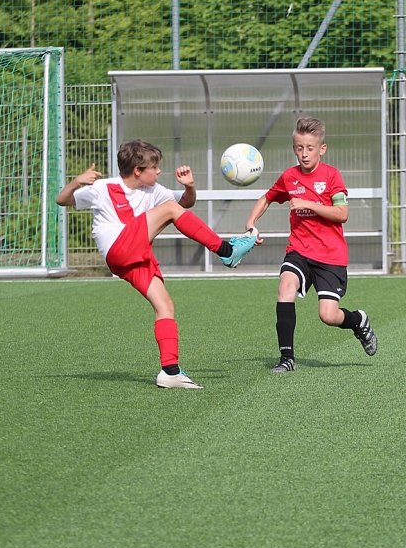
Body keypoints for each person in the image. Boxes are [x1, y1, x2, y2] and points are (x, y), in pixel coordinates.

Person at [56, 139, 257, 389]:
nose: (159, 171)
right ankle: (227, 251)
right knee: (169, 209)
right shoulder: (103, 188)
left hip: (133, 257)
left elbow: (185, 204)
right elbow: (62, 200)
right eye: (154, 167)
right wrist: (77, 181)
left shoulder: (154, 190)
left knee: (165, 306)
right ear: (137, 170)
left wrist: (190, 187)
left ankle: (170, 372)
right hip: (119, 248)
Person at [245, 116, 377, 373]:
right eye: (299, 148)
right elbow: (267, 198)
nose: (304, 154)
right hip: (299, 250)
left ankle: (358, 320)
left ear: (322, 148)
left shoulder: (331, 176)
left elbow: (342, 214)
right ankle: (286, 358)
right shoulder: (289, 176)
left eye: (310, 148)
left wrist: (308, 204)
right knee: (285, 287)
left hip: (330, 256)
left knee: (328, 315)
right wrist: (251, 223)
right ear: (294, 148)